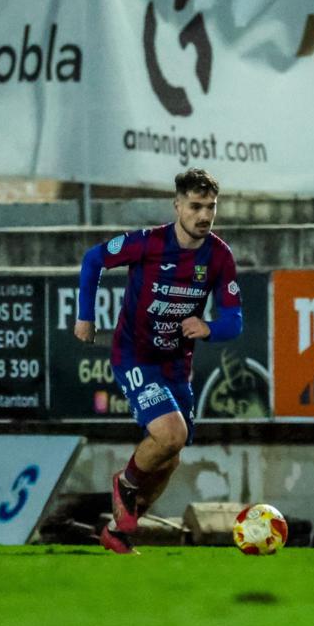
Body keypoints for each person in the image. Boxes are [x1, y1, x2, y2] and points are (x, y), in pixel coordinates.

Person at [75, 168, 243, 554]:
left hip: (176, 365)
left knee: (170, 457)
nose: (204, 215)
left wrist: (209, 327)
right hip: (135, 355)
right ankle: (125, 483)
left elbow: (234, 320)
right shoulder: (147, 243)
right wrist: (85, 315)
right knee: (171, 435)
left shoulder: (219, 256)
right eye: (196, 206)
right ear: (177, 206)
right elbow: (93, 259)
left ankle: (118, 531)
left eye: (211, 207)